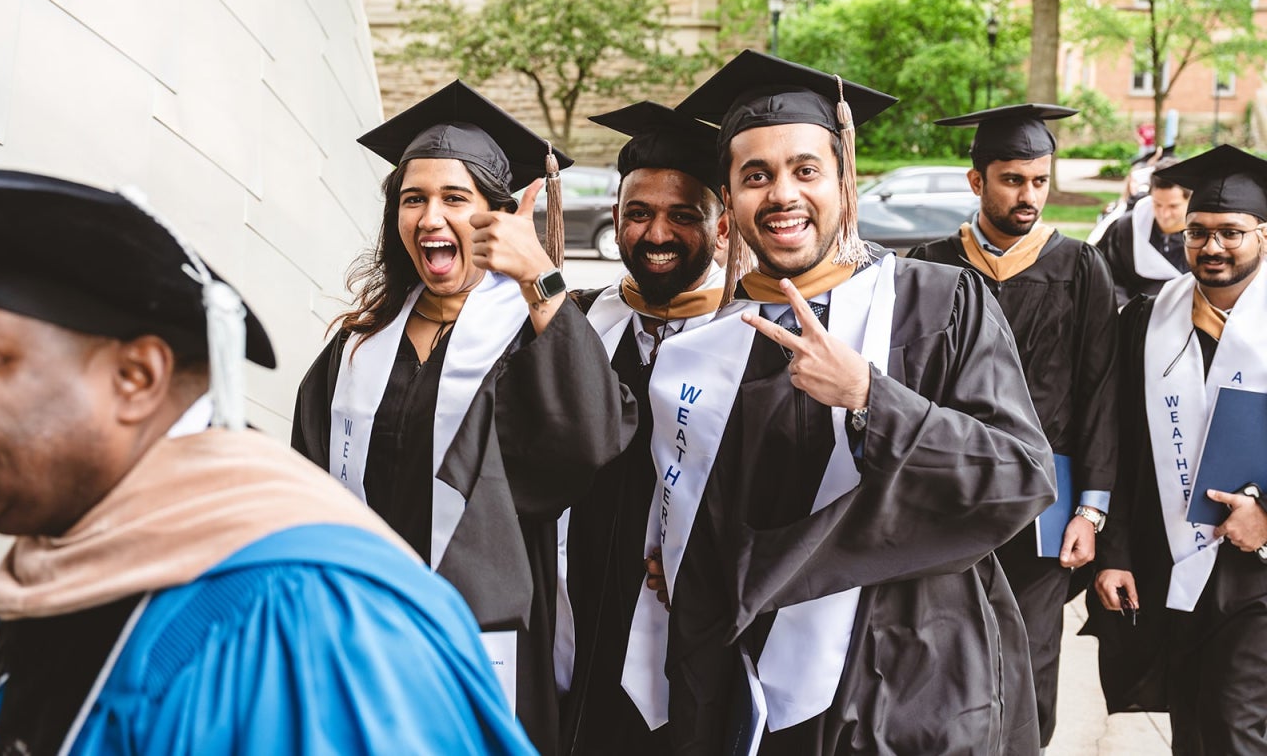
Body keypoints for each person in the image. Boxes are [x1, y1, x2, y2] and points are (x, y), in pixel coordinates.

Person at [0, 168, 535, 755]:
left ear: (137, 378)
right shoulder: (74, 553)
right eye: (414, 199)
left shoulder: (305, 622)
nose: (431, 217)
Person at [658, 50, 1056, 754]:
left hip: (914, 676)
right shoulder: (702, 346)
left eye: (805, 169)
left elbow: (1021, 477)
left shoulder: (938, 300)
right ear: (729, 200)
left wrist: (874, 398)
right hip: (757, 691)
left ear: (845, 182)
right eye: (756, 176)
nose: (782, 194)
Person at [291, 80, 635, 755]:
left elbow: (591, 439)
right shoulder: (359, 347)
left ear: (495, 215)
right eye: (413, 199)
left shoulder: (526, 336)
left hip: (486, 631)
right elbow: (306, 478)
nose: (430, 218)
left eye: (455, 198)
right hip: (364, 623)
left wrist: (541, 277)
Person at [909, 103, 1119, 750]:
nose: (1027, 195)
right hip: (949, 500)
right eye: (1012, 180)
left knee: (1030, 666)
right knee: (945, 664)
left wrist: (1093, 509)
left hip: (1046, 508)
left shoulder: (1080, 269)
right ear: (977, 182)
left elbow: (1101, 393)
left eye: (1038, 181)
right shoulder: (930, 267)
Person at [1088, 145, 1267, 754]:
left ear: (1263, 235)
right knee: (1189, 727)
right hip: (1172, 562)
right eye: (1198, 233)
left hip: (1257, 571)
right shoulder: (1146, 320)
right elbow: (1117, 439)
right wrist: (1113, 551)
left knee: (1235, 723)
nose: (1212, 248)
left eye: (1231, 234)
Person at [561, 102, 728, 755]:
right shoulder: (576, 323)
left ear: (721, 226)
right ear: (616, 221)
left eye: (683, 215)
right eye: (639, 214)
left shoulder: (748, 336)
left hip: (688, 620)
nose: (657, 232)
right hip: (583, 598)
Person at [1097, 159, 1190, 307]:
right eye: (1157, 204)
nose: (1164, 214)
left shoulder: (1205, 236)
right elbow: (1108, 276)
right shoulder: (1127, 228)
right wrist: (1123, 309)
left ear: (1190, 200)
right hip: (1134, 316)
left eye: (1173, 206)